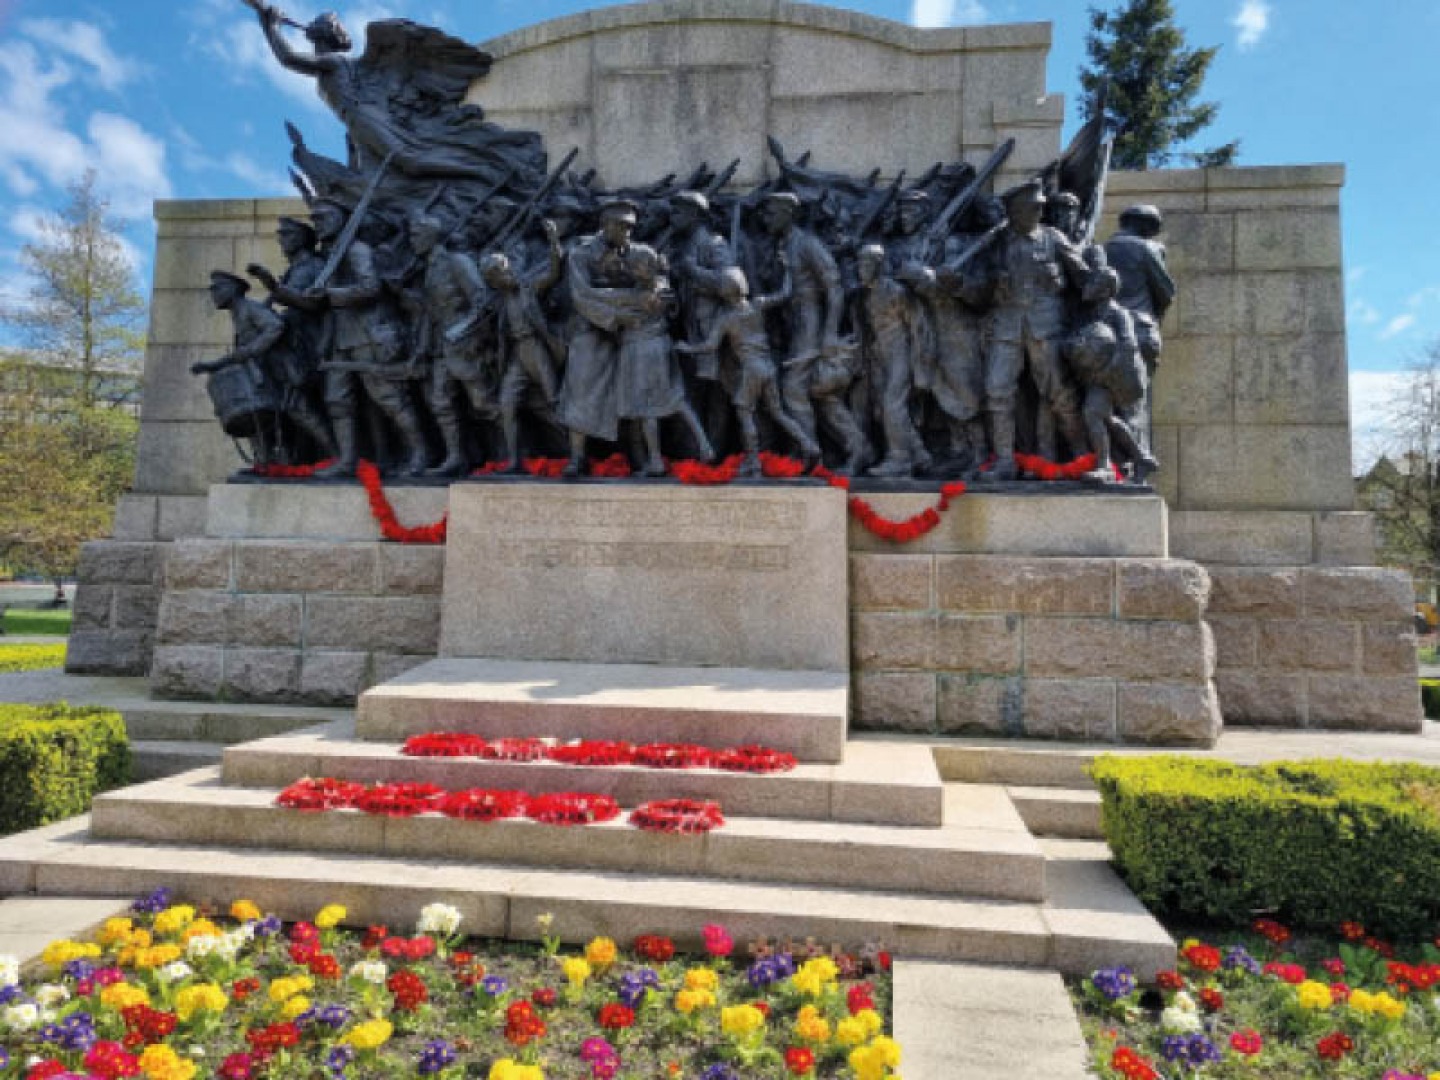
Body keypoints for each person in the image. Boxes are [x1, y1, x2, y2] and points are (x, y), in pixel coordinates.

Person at [972, 179, 1092, 481]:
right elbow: (979, 288)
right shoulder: (996, 244)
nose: (1039, 212)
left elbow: (1083, 276)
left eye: (1040, 207)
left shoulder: (1053, 238)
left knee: (1058, 392)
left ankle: (1081, 453)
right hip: (1006, 328)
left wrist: (1103, 281)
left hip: (1045, 327)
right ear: (1014, 211)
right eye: (1032, 207)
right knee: (996, 391)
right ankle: (1003, 461)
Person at [302, 196, 430, 477]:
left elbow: (371, 287)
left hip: (368, 334)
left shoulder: (357, 250)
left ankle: (421, 452)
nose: (317, 224)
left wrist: (332, 295)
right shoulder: (330, 255)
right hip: (340, 338)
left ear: (339, 220)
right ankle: (347, 460)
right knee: (338, 401)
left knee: (390, 399)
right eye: (315, 219)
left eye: (322, 218)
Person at [755, 192, 870, 473]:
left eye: (771, 213)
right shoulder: (784, 245)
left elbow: (834, 288)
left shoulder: (808, 244)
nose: (765, 219)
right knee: (818, 392)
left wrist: (829, 334)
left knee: (793, 388)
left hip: (811, 320)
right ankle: (859, 448)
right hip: (793, 320)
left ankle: (807, 454)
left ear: (788, 213)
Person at [676, 264, 820, 476]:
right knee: (778, 413)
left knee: (744, 413)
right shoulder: (758, 304)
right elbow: (784, 293)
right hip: (768, 367)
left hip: (751, 369)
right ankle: (809, 445)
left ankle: (752, 460)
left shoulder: (726, 319)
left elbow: (710, 346)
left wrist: (687, 348)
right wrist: (788, 269)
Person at [191, 271, 335, 465]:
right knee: (262, 420)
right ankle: (267, 463)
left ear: (233, 289)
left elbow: (275, 326)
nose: (213, 293)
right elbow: (241, 354)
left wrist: (252, 349)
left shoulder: (250, 308)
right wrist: (211, 366)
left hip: (281, 373)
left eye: (217, 288)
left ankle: (340, 457)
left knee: (303, 415)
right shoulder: (238, 313)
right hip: (265, 376)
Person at [406, 211, 499, 476]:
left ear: (431, 236)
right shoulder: (429, 268)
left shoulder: (457, 262)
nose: (411, 240)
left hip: (465, 346)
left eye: (416, 234)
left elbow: (483, 301)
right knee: (441, 402)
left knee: (483, 403)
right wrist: (422, 348)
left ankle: (514, 452)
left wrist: (461, 331)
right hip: (440, 348)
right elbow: (430, 313)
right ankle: (455, 457)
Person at [613, 245, 715, 476]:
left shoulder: (641, 294)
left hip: (643, 351)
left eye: (633, 266)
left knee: (648, 408)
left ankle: (656, 459)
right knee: (676, 398)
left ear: (640, 269)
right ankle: (704, 444)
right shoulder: (662, 284)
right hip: (660, 346)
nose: (628, 269)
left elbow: (618, 303)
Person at [480, 232, 567, 471]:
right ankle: (514, 459)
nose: (500, 280)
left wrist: (553, 242)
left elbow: (553, 273)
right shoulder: (500, 299)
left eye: (500, 273)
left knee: (555, 401)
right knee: (507, 405)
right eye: (494, 278)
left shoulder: (529, 286)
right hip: (517, 354)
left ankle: (577, 451)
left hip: (536, 348)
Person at [1065, 264, 1157, 483]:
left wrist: (1106, 372)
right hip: (1098, 375)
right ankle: (1141, 457)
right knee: (1107, 418)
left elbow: (1128, 346)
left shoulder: (1118, 314)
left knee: (1092, 414)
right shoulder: (1094, 313)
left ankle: (1105, 465)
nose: (1089, 287)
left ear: (1105, 289)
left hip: (1111, 377)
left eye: (1095, 283)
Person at [1105, 204, 1177, 457]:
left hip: (1108, 334)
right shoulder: (1146, 248)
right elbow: (1166, 292)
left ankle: (1114, 463)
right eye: (1153, 227)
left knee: (1109, 404)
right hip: (1141, 330)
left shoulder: (1101, 250)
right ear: (1142, 224)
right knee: (1136, 402)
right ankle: (1137, 463)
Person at [855, 245, 930, 477]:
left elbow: (919, 328)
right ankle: (920, 454)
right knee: (884, 409)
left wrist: (920, 367)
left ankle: (900, 459)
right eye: (859, 264)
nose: (861, 269)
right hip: (880, 355)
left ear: (879, 265)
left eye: (867, 264)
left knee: (892, 405)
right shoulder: (866, 295)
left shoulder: (896, 292)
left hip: (901, 353)